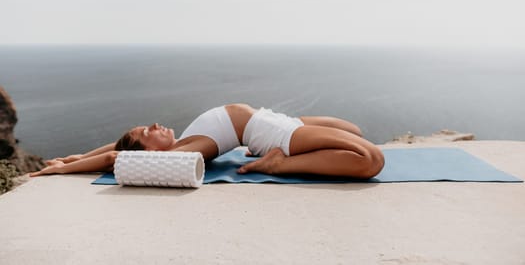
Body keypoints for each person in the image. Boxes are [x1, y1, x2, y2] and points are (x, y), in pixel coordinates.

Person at [30, 103, 385, 179]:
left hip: (277, 119)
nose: (155, 122)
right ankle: (279, 162)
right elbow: (116, 160)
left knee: (353, 130)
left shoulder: (180, 140)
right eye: (146, 132)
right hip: (273, 134)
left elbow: (113, 148)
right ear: (150, 151)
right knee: (370, 160)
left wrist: (74, 154)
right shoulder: (181, 152)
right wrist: (64, 171)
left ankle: (286, 156)